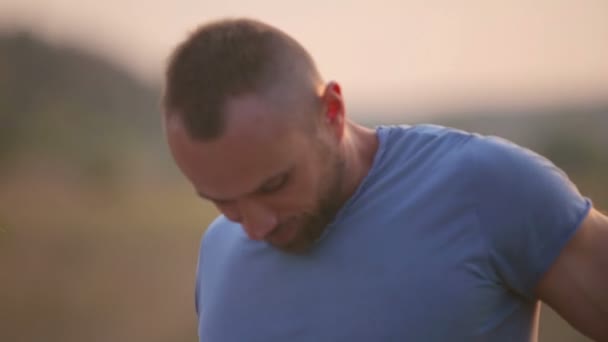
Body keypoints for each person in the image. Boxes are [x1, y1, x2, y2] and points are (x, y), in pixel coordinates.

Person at [161, 18, 608, 342]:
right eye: (223, 202)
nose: (255, 227)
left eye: (274, 185)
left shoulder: (484, 186)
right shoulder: (219, 249)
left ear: (331, 112)